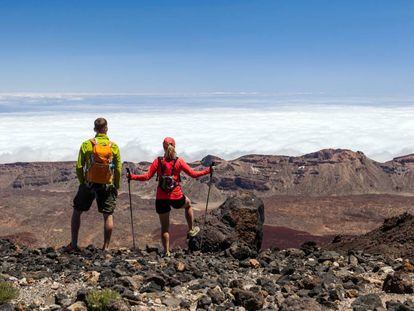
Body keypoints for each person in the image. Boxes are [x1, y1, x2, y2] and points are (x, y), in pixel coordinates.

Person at [127, 137, 211, 257]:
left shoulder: (158, 161)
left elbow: (146, 176)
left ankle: (166, 252)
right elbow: (193, 174)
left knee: (164, 228)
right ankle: (191, 229)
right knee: (188, 204)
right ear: (174, 146)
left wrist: (132, 176)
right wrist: (208, 170)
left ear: (163, 146)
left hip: (161, 198)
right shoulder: (179, 161)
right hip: (176, 197)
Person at [67, 117, 121, 251]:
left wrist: (83, 182)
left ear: (95, 129)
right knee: (108, 215)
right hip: (107, 185)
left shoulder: (86, 144)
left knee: (77, 211)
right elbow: (118, 168)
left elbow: (79, 166)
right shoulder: (113, 146)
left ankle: (74, 244)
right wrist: (116, 185)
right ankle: (106, 247)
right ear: (106, 129)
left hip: (89, 183)